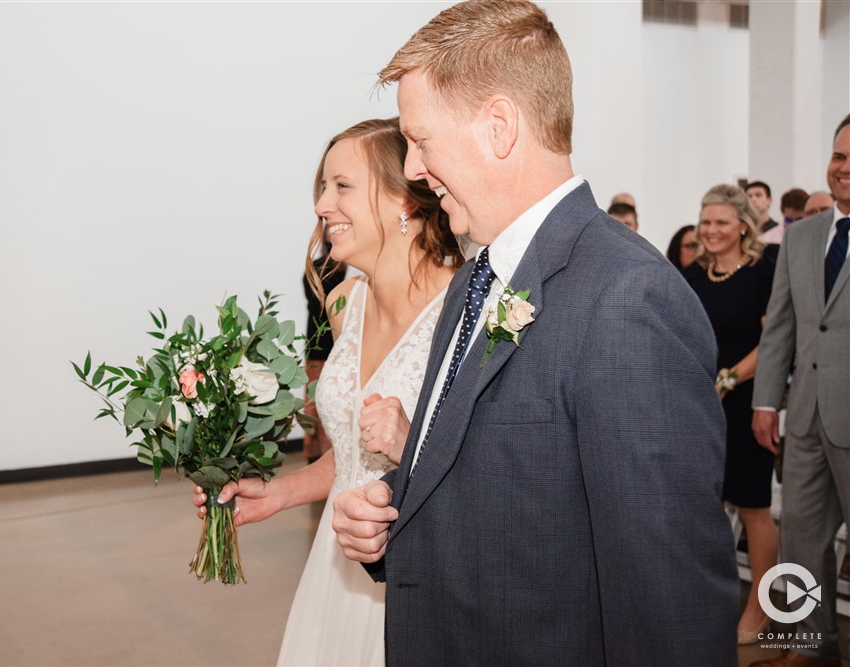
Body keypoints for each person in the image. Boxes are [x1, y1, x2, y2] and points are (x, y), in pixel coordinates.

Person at [331, 2, 739, 665]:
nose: (411, 168)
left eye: (420, 139)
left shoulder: (628, 298)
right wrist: (392, 521)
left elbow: (670, 602)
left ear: (499, 126)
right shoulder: (474, 281)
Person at [193, 118, 461, 666]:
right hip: (335, 567)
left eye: (342, 186)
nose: (322, 205)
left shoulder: (460, 306)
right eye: (322, 187)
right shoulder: (344, 303)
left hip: (417, 570)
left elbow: (480, 465)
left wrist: (410, 445)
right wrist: (276, 495)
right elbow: (353, 458)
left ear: (401, 200)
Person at [750, 114, 850, 667]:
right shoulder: (804, 235)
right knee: (802, 543)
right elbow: (782, 324)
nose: (844, 168)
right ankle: (812, 647)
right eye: (839, 156)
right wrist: (767, 402)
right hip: (805, 419)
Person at [683, 184, 777, 646]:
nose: (712, 230)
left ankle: (761, 603)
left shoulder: (764, 272)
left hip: (748, 403)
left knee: (754, 506)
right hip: (700, 406)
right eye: (706, 222)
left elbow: (775, 342)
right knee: (708, 504)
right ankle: (711, 595)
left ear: (743, 224)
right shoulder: (693, 275)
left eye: (722, 222)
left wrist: (728, 379)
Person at [301, 238, 345, 463]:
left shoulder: (312, 267)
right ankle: (325, 453)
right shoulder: (338, 269)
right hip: (329, 337)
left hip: (315, 336)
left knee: (312, 398)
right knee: (326, 397)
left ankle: (311, 450)